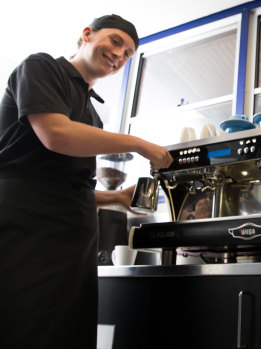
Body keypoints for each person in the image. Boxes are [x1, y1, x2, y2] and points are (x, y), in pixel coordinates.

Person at [0, 14, 173, 348]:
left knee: (65, 330)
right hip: (26, 227)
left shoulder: (91, 113)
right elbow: (55, 135)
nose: (120, 55)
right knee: (24, 323)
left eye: (128, 54)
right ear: (87, 35)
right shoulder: (41, 68)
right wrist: (138, 143)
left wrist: (116, 198)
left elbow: (65, 183)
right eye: (115, 41)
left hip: (72, 241)